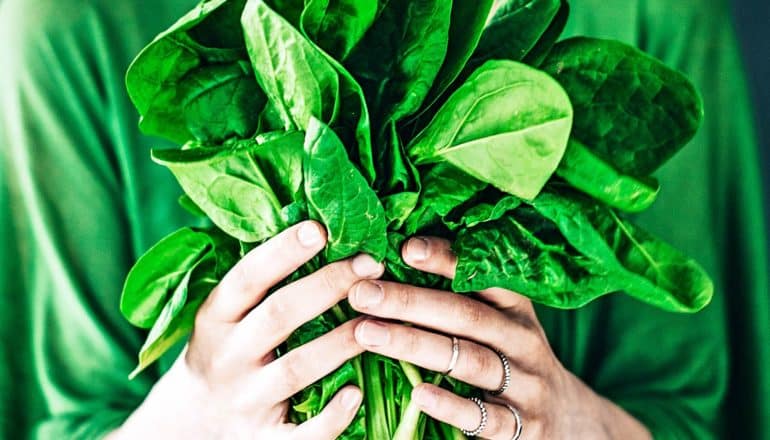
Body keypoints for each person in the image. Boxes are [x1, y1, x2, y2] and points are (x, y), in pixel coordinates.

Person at [0, 0, 767, 439]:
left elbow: (701, 417)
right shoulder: (64, 29)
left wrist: (570, 423)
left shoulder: (655, 14)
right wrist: (194, 416)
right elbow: (63, 417)